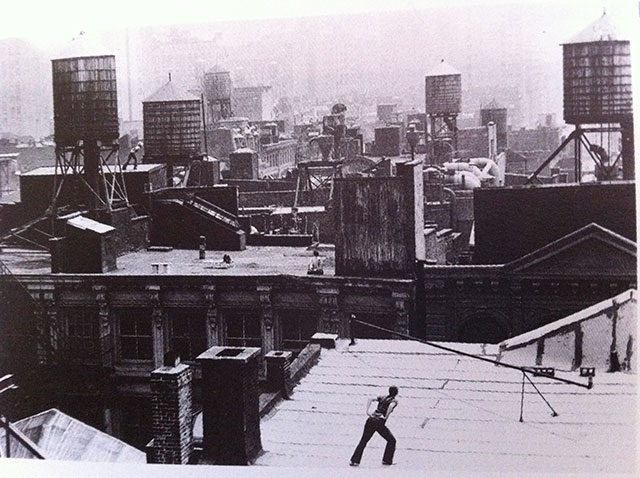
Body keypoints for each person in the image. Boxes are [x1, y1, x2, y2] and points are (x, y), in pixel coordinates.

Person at [350, 386, 398, 466]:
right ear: (396, 393)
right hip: (379, 422)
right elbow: (390, 406)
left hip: (371, 419)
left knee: (364, 440)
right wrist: (386, 416)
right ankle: (387, 460)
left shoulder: (382, 397)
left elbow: (370, 399)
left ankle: (355, 460)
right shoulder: (394, 401)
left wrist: (367, 411)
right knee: (392, 440)